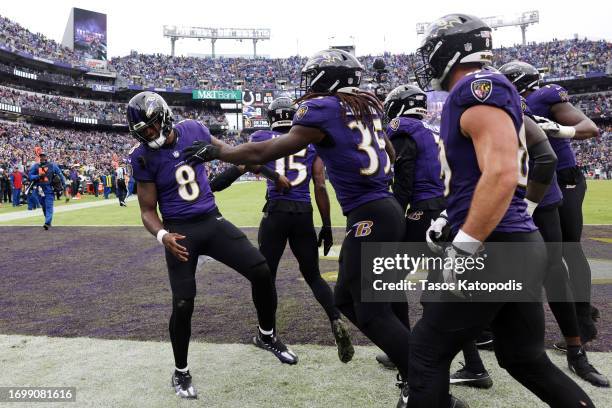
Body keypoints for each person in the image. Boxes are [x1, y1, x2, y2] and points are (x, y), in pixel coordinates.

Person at [182, 48, 416, 404]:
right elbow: (390, 153)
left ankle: (424, 379)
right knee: (365, 300)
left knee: (364, 307)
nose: (308, 87)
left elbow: (261, 154)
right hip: (386, 208)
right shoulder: (367, 107)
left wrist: (217, 150)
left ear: (327, 80)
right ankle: (417, 377)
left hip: (368, 214)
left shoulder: (321, 109)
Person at [405, 14, 593, 407]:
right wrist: (450, 218)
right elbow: (493, 170)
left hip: (494, 247)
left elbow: (503, 172)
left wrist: (465, 244)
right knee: (522, 357)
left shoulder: (476, 87)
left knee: (425, 352)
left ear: (450, 50)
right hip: (515, 242)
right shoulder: (486, 90)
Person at [126, 91, 297, 400]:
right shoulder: (142, 156)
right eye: (143, 132)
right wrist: (162, 236)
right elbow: (147, 210)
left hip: (211, 220)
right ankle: (180, 371)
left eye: (151, 126)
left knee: (260, 270)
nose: (149, 134)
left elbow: (235, 155)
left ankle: (266, 335)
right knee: (183, 302)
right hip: (179, 231)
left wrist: (215, 152)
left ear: (163, 118)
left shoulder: (193, 129)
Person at [209, 96, 354, 363]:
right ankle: (335, 318)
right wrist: (326, 225)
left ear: (273, 116)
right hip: (304, 214)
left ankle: (268, 333)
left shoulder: (263, 136)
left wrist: (215, 185)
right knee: (313, 276)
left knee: (266, 276)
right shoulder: (308, 142)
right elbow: (320, 184)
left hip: (276, 213)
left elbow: (240, 166)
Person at [524, 63, 601, 349]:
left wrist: (557, 129)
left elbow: (589, 127)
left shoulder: (542, 96)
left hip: (563, 177)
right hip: (543, 179)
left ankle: (582, 321)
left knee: (568, 249)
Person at [373, 84, 446, 370]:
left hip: (422, 211)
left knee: (390, 279)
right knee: (441, 286)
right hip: (445, 212)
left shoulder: (404, 130)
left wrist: (395, 219)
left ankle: (402, 348)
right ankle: (475, 365)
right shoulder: (434, 131)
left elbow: (404, 183)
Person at [28, 153, 66, 230]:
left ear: (46, 157)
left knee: (49, 206)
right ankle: (48, 221)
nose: (42, 158)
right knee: (44, 206)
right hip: (39, 189)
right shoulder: (36, 166)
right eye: (41, 157)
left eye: (43, 156)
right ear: (39, 158)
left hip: (49, 188)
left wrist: (63, 185)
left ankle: (47, 222)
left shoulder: (52, 165)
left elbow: (60, 174)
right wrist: (38, 176)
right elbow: (30, 176)